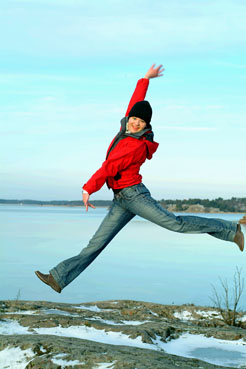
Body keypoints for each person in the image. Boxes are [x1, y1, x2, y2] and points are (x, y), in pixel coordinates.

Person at [35, 64, 244, 294]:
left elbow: (109, 167)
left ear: (146, 126)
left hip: (135, 195)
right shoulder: (127, 128)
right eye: (134, 118)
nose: (135, 123)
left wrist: (88, 188)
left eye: (141, 122)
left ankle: (230, 231)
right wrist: (146, 78)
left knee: (175, 223)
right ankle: (58, 277)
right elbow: (137, 100)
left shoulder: (135, 145)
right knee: (96, 243)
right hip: (121, 199)